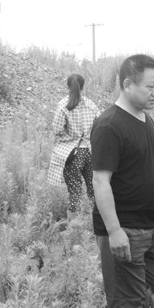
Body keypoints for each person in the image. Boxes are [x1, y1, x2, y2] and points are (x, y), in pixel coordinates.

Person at [91, 54, 154, 308]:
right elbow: (100, 181)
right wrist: (114, 231)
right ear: (128, 84)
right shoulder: (109, 125)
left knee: (145, 295)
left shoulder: (146, 120)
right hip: (125, 231)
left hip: (151, 227)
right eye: (150, 87)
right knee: (127, 307)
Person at [48, 73, 100, 221]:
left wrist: (70, 136)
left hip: (71, 153)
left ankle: (73, 228)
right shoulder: (91, 105)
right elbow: (100, 126)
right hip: (90, 151)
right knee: (94, 190)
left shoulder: (63, 105)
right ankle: (95, 223)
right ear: (83, 86)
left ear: (67, 86)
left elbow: (57, 129)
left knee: (75, 192)